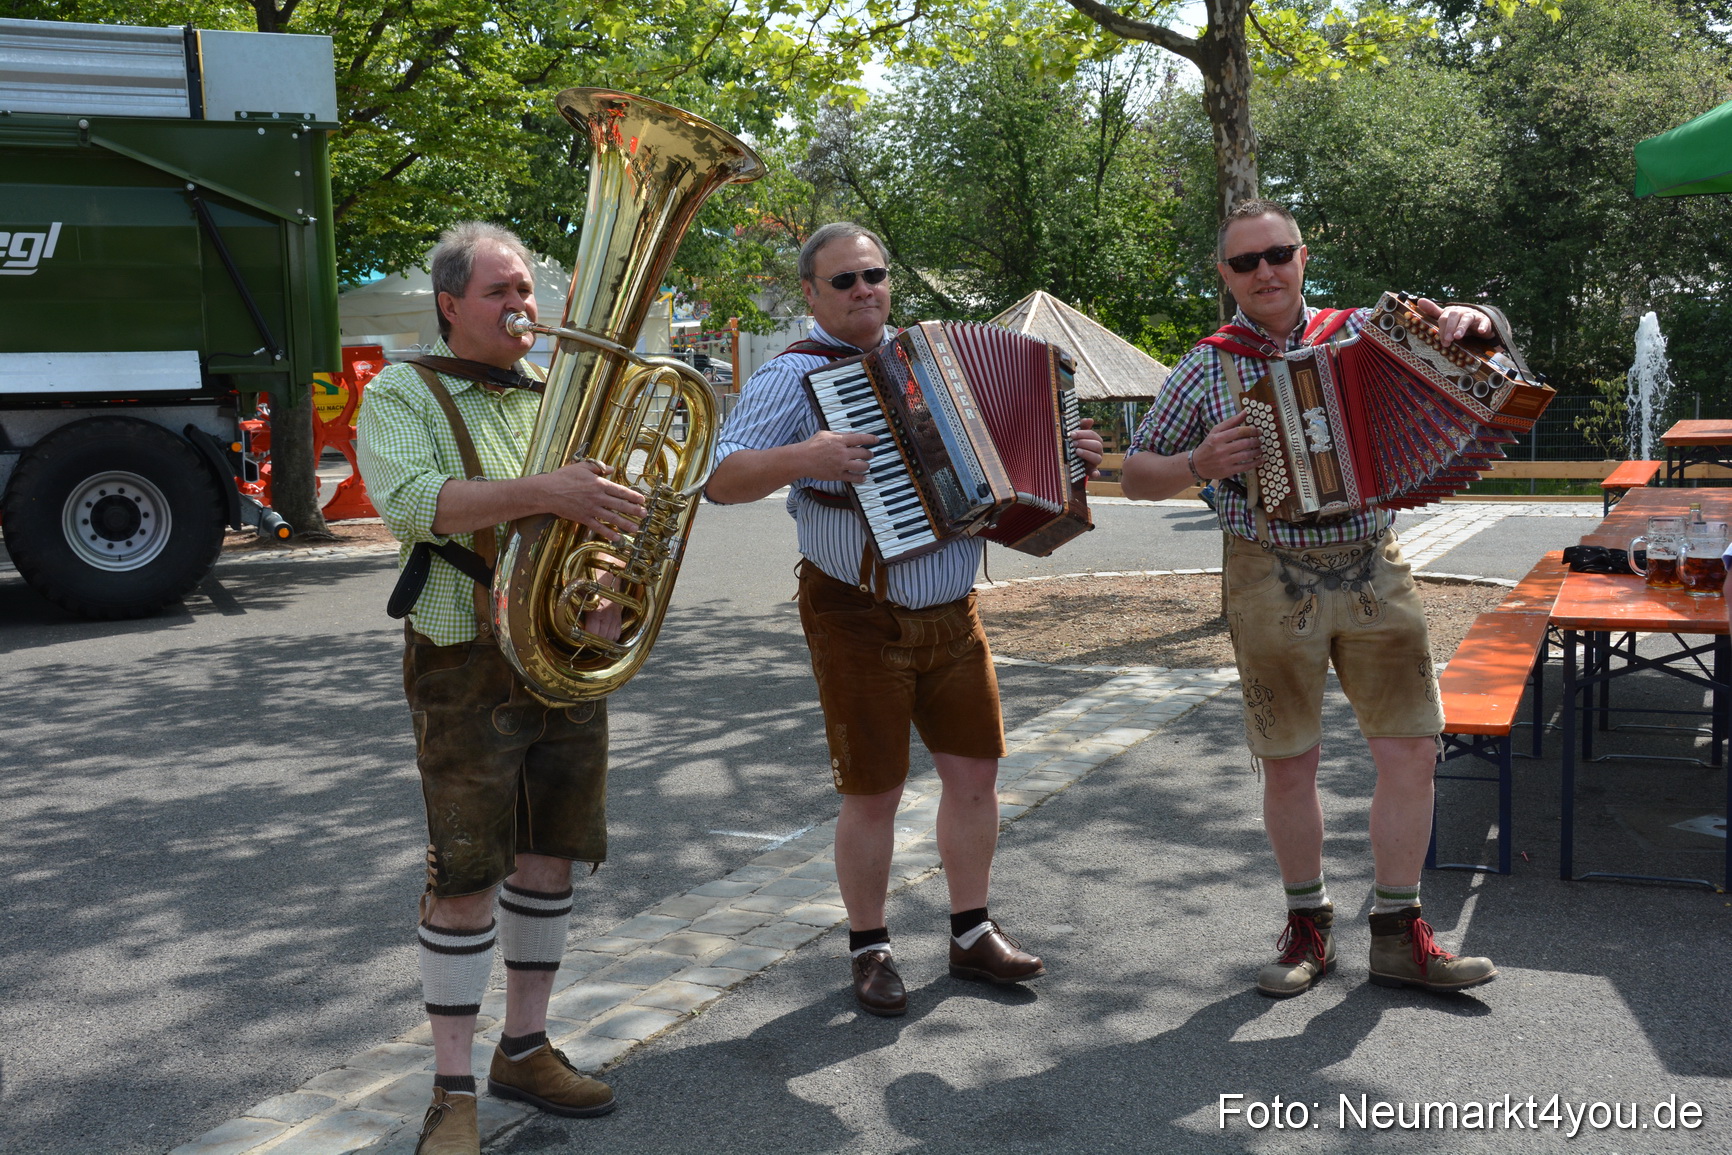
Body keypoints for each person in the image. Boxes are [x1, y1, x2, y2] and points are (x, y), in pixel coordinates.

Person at [705, 222, 1105, 1016]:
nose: (863, 290)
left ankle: (969, 931)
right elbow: (721, 479)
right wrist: (803, 458)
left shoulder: (939, 365)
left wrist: (1070, 456)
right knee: (874, 792)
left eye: (874, 275)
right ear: (811, 293)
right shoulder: (793, 377)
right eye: (844, 280)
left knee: (976, 777)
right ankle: (871, 946)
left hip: (953, 612)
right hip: (856, 613)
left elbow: (1002, 473)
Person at [1121, 199, 1501, 999]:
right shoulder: (1204, 365)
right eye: (1244, 262)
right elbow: (1136, 475)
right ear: (1223, 276)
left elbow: (1480, 343)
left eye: (1277, 254)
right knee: (1290, 763)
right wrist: (1197, 460)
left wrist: (1478, 315)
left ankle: (1401, 934)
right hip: (1265, 571)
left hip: (1373, 562)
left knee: (1412, 750)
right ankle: (1308, 926)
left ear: (1302, 257)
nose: (1264, 271)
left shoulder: (1367, 332)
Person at [357, 222, 648, 1155]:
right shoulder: (402, 390)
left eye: (527, 291)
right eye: (501, 293)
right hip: (462, 656)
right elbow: (411, 504)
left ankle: (523, 1046)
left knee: (551, 857)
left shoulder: (552, 395)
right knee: (467, 872)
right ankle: (449, 1090)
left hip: (562, 651)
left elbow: (602, 517)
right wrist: (551, 491)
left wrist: (611, 592)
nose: (524, 308)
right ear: (450, 305)